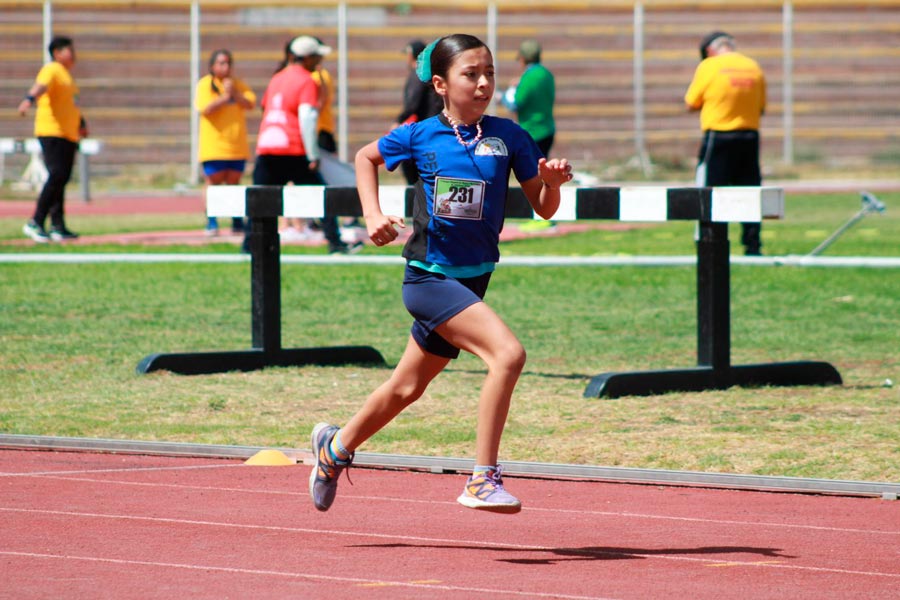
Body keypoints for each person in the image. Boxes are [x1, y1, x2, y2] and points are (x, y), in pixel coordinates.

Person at [308, 34, 573, 514]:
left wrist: (551, 185)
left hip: (473, 279)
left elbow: (543, 208)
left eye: (489, 72)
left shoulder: (510, 136)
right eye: (470, 74)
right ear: (441, 83)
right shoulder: (420, 134)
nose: (484, 82)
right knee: (508, 355)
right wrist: (372, 215)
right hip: (428, 279)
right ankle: (482, 479)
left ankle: (335, 447)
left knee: (407, 388)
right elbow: (365, 157)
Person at [246, 35, 356, 255]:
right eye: (316, 56)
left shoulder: (277, 77)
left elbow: (265, 107)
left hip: (267, 146)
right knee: (321, 196)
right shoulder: (307, 80)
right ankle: (335, 242)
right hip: (293, 148)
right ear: (307, 58)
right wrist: (312, 154)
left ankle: (248, 246)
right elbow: (307, 116)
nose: (319, 61)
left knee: (259, 200)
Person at [685, 31, 767, 256]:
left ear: (709, 51)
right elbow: (761, 106)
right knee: (750, 190)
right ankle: (753, 245)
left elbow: (691, 102)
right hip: (749, 136)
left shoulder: (709, 66)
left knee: (710, 191)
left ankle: (709, 240)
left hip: (718, 136)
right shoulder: (753, 66)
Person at [17, 35, 88, 243]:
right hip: (52, 131)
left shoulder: (67, 76)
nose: (73, 54)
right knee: (56, 175)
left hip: (68, 133)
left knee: (62, 178)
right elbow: (40, 86)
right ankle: (36, 221)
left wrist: (81, 124)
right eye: (69, 50)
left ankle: (58, 225)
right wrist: (29, 99)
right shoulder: (52, 69)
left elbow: (70, 105)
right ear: (57, 53)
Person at [195, 49, 255, 236]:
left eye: (228, 63)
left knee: (234, 184)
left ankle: (236, 220)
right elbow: (205, 109)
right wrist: (224, 97)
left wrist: (234, 93)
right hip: (214, 146)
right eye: (221, 63)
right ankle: (212, 221)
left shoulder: (237, 85)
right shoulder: (205, 84)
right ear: (212, 66)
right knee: (213, 184)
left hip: (236, 145)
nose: (225, 67)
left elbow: (250, 103)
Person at [499, 39, 557, 232]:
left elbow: (515, 103)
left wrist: (509, 91)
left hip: (533, 131)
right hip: (547, 127)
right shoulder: (546, 74)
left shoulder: (529, 77)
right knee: (543, 172)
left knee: (535, 176)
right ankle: (543, 215)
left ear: (523, 58)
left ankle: (541, 217)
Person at [394, 39, 443, 185]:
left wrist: (398, 120)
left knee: (410, 162)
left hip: (425, 127)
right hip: (433, 126)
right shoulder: (428, 73)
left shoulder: (418, 75)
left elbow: (412, 104)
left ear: (412, 55)